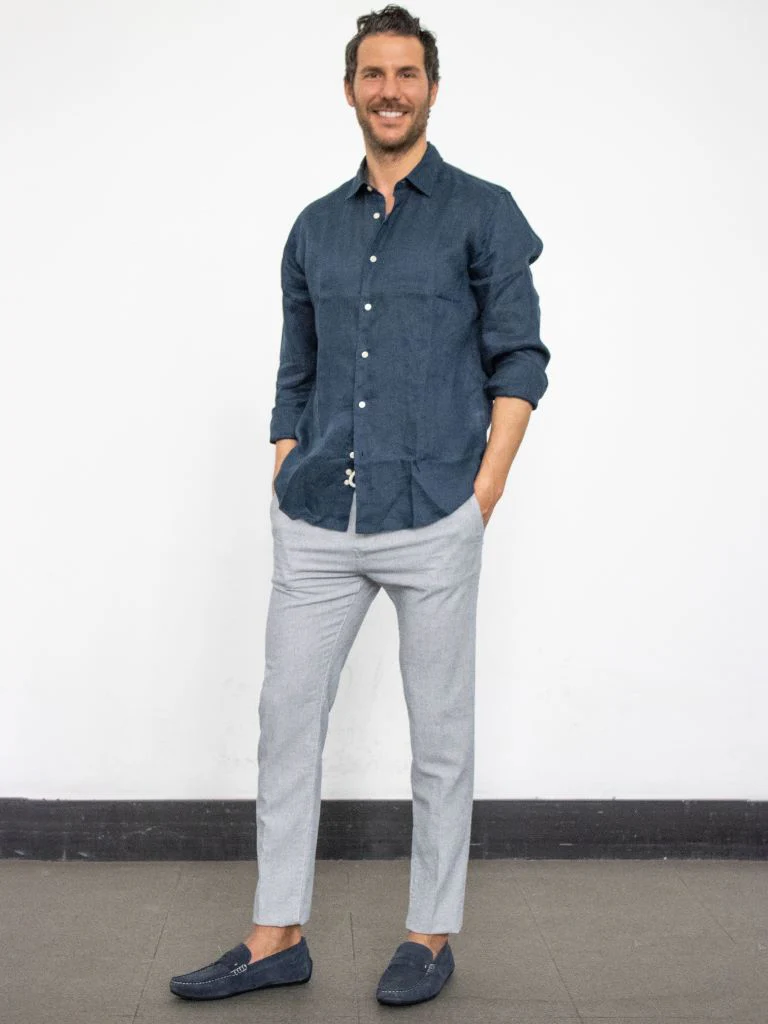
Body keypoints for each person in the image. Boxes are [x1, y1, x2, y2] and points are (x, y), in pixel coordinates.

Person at [170, 2, 549, 1008]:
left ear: (432, 88)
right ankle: (275, 935)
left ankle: (429, 934)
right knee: (285, 720)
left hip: (435, 511)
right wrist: (285, 456)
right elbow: (295, 366)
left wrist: (484, 490)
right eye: (373, 74)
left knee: (441, 736)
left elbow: (520, 359)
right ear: (350, 90)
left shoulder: (483, 213)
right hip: (318, 517)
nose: (390, 90)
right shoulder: (313, 227)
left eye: (406, 74)